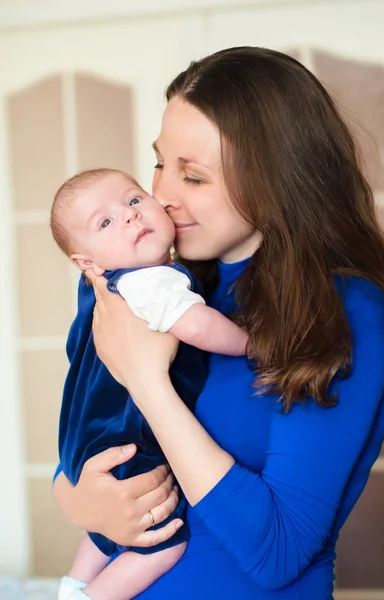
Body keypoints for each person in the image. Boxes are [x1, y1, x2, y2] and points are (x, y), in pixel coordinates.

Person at [53, 47, 384, 599]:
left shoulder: (342, 312)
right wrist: (76, 499)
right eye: (161, 162)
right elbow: (89, 427)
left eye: (194, 175)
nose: (160, 195)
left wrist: (147, 380)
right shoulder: (152, 280)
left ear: (279, 178)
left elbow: (277, 552)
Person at [50, 169, 248, 600]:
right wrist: (254, 345)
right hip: (129, 435)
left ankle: (71, 585)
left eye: (134, 200)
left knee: (106, 524)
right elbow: (197, 325)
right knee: (160, 545)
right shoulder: (152, 280)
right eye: (104, 223)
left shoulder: (98, 288)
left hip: (85, 438)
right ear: (87, 262)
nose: (128, 218)